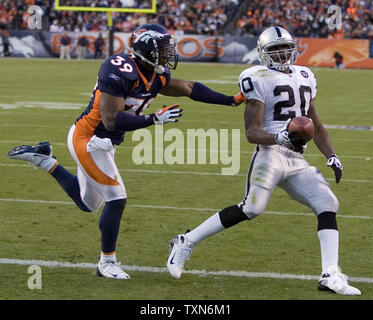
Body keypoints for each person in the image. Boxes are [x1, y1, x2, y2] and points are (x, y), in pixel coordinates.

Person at [7, 24, 245, 280]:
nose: (168, 55)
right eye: (163, 50)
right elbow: (111, 120)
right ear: (146, 51)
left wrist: (231, 100)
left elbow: (188, 87)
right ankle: (106, 263)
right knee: (116, 199)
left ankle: (44, 159)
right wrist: (154, 119)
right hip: (89, 139)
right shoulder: (119, 70)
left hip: (104, 143)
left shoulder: (154, 73)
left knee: (88, 204)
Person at [166, 26, 361, 295]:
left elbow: (314, 122)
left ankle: (331, 274)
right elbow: (251, 133)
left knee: (328, 203)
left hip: (296, 159)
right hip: (270, 154)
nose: (282, 55)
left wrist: (332, 155)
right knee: (252, 208)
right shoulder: (255, 77)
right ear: (263, 53)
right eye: (275, 50)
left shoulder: (305, 75)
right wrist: (279, 137)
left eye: (285, 49)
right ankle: (185, 240)